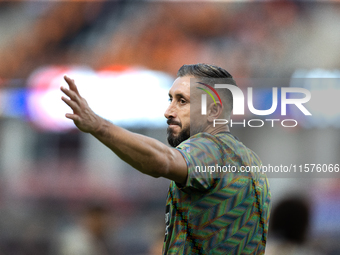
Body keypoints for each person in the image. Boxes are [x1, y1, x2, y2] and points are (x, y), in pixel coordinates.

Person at [61, 63, 271, 254]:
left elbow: (163, 160)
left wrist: (100, 126)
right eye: (171, 99)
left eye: (182, 101)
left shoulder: (209, 147)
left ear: (213, 110)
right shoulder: (251, 161)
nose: (168, 112)